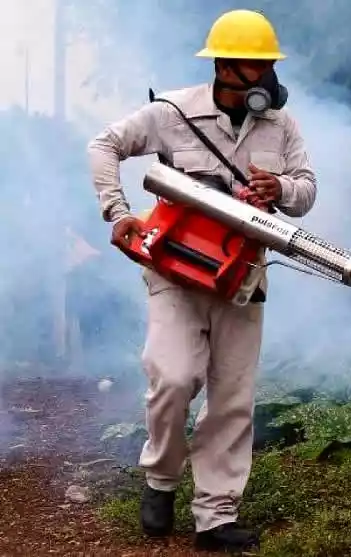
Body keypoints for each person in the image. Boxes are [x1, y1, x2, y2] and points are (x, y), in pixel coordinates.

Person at [86, 9, 317, 554]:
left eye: (267, 65)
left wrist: (278, 189)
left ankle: (215, 515)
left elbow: (307, 191)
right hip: (175, 270)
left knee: (232, 396)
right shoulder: (171, 113)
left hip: (243, 275)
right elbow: (104, 145)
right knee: (172, 377)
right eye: (252, 65)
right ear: (223, 66)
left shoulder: (282, 127)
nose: (263, 77)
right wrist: (118, 212)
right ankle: (161, 478)